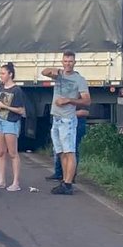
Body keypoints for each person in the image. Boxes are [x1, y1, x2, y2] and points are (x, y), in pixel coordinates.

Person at [41, 51, 91, 195]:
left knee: (70, 152)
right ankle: (64, 180)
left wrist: (69, 100)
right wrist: (54, 71)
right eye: (65, 61)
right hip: (56, 118)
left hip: (67, 119)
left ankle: (69, 184)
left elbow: (87, 100)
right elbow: (44, 72)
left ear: (74, 63)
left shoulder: (79, 79)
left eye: (70, 61)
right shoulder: (59, 75)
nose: (68, 64)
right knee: (61, 152)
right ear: (62, 62)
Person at [0, 62, 26, 192]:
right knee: (0, 152)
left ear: (10, 74)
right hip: (0, 120)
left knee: (13, 153)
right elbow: (0, 106)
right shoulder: (1, 89)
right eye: (0, 73)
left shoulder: (17, 90)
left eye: (3, 73)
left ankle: (16, 182)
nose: (1, 76)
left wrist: (5, 107)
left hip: (11, 122)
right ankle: (1, 180)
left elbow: (21, 110)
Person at [47, 107, 88, 182]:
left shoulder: (76, 97)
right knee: (61, 150)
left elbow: (84, 112)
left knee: (71, 150)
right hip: (63, 121)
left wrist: (66, 114)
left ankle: (70, 177)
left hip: (74, 122)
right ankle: (60, 173)